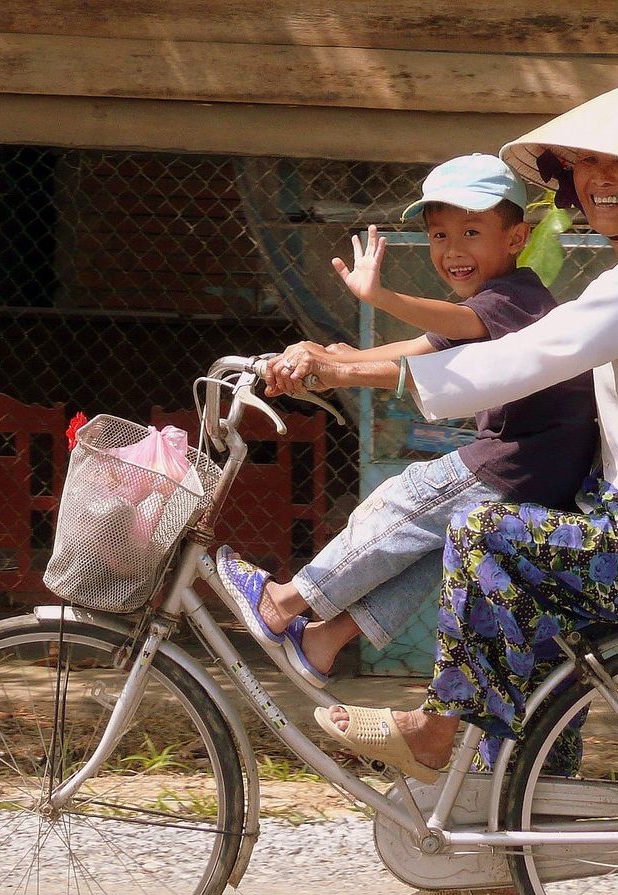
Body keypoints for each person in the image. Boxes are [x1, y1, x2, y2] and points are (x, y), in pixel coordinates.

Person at [265, 75, 618, 785]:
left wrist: (351, 373)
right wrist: (342, 362)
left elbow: (524, 358)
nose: (598, 180)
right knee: (526, 620)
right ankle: (529, 804)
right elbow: (469, 348)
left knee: (482, 529)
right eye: (586, 165)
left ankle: (434, 727)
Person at [215, 154, 598, 693]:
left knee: (403, 502)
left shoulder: (516, 300)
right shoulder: (492, 302)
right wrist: (322, 360)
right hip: (542, 477)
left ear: (516, 237)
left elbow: (441, 338)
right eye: (439, 235)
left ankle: (284, 603)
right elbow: (400, 354)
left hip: (513, 464)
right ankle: (323, 641)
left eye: (471, 231)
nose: (453, 249)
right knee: (427, 553)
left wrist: (380, 298)